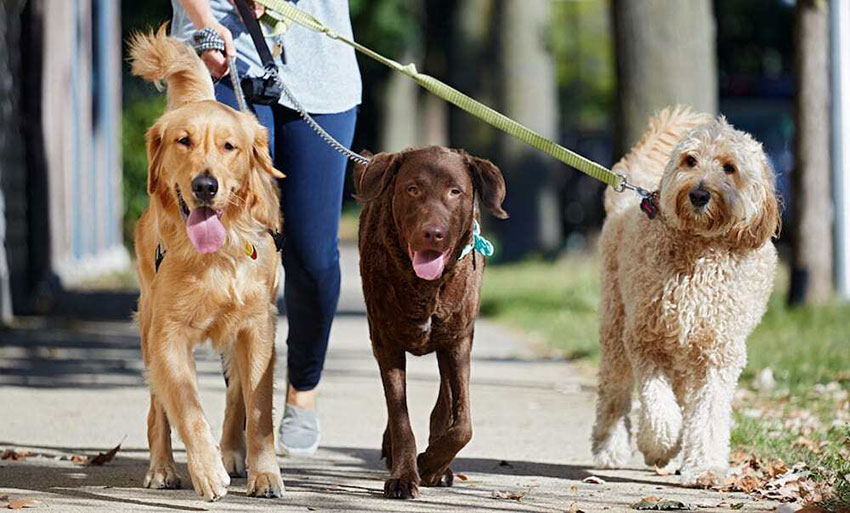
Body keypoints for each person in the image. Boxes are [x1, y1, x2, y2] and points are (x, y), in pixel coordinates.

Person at [171, 0, 361, 455]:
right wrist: (205, 23)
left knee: (314, 256)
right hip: (218, 55)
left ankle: (303, 392)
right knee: (227, 250)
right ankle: (240, 413)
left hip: (320, 73)